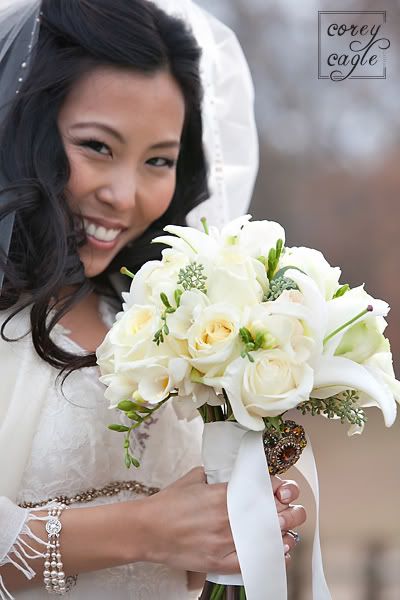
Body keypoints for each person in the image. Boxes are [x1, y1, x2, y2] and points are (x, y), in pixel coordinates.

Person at [0, 1, 307, 598]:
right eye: (97, 146)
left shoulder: (163, 316)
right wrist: (146, 531)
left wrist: (228, 531)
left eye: (158, 161)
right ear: (28, 129)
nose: (125, 195)